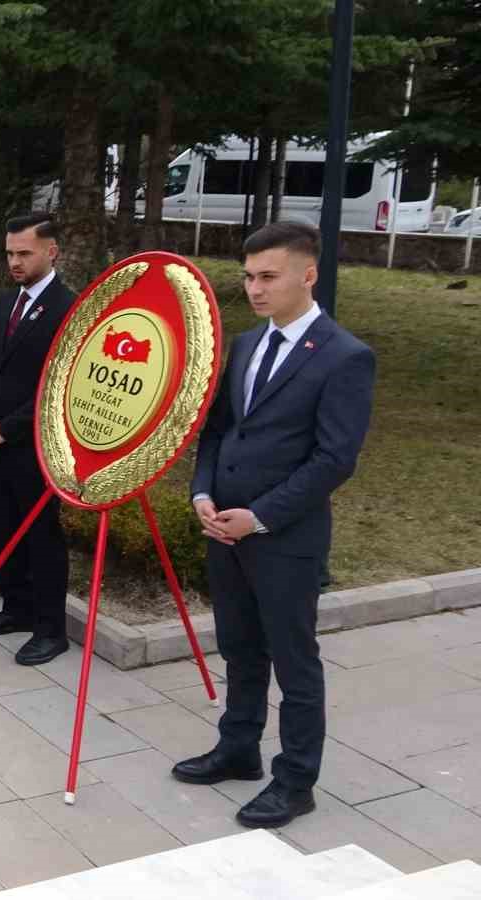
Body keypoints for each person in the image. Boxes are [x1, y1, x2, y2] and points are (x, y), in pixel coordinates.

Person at [174, 221, 375, 828]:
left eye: (269, 277)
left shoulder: (345, 356)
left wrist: (259, 518)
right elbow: (217, 429)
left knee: (294, 661)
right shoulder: (245, 344)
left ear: (307, 275)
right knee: (239, 646)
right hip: (223, 530)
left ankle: (295, 781)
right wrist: (204, 490)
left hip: (284, 540)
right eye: (249, 276)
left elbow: (334, 459)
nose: (255, 289)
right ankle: (239, 748)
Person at [0, 213, 76, 665]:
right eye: (10, 252)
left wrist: (5, 428)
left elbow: (59, 385)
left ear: (51, 252)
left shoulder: (68, 308)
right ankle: (16, 608)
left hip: (34, 445)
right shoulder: (4, 302)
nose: (14, 261)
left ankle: (51, 628)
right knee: (4, 525)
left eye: (24, 253)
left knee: (41, 536)